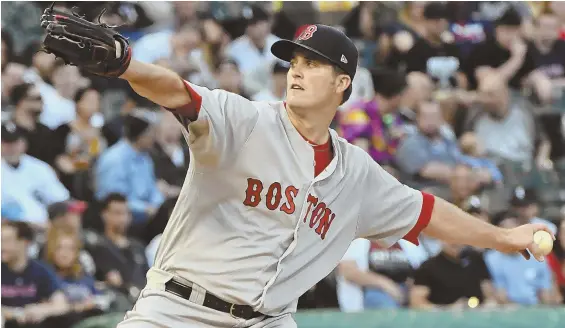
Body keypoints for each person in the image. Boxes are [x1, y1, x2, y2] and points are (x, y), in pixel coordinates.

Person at [40, 10, 555, 328]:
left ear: (344, 85)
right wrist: (126, 64)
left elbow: (426, 212)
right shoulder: (244, 120)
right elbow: (179, 92)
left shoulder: (358, 174)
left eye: (313, 64)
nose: (298, 72)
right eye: (294, 62)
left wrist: (503, 237)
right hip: (177, 311)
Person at [1, 221, 70, 328]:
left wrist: (42, 310)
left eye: (7, 240)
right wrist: (15, 313)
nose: (2, 246)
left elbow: (62, 305)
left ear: (24, 242)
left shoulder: (40, 270)